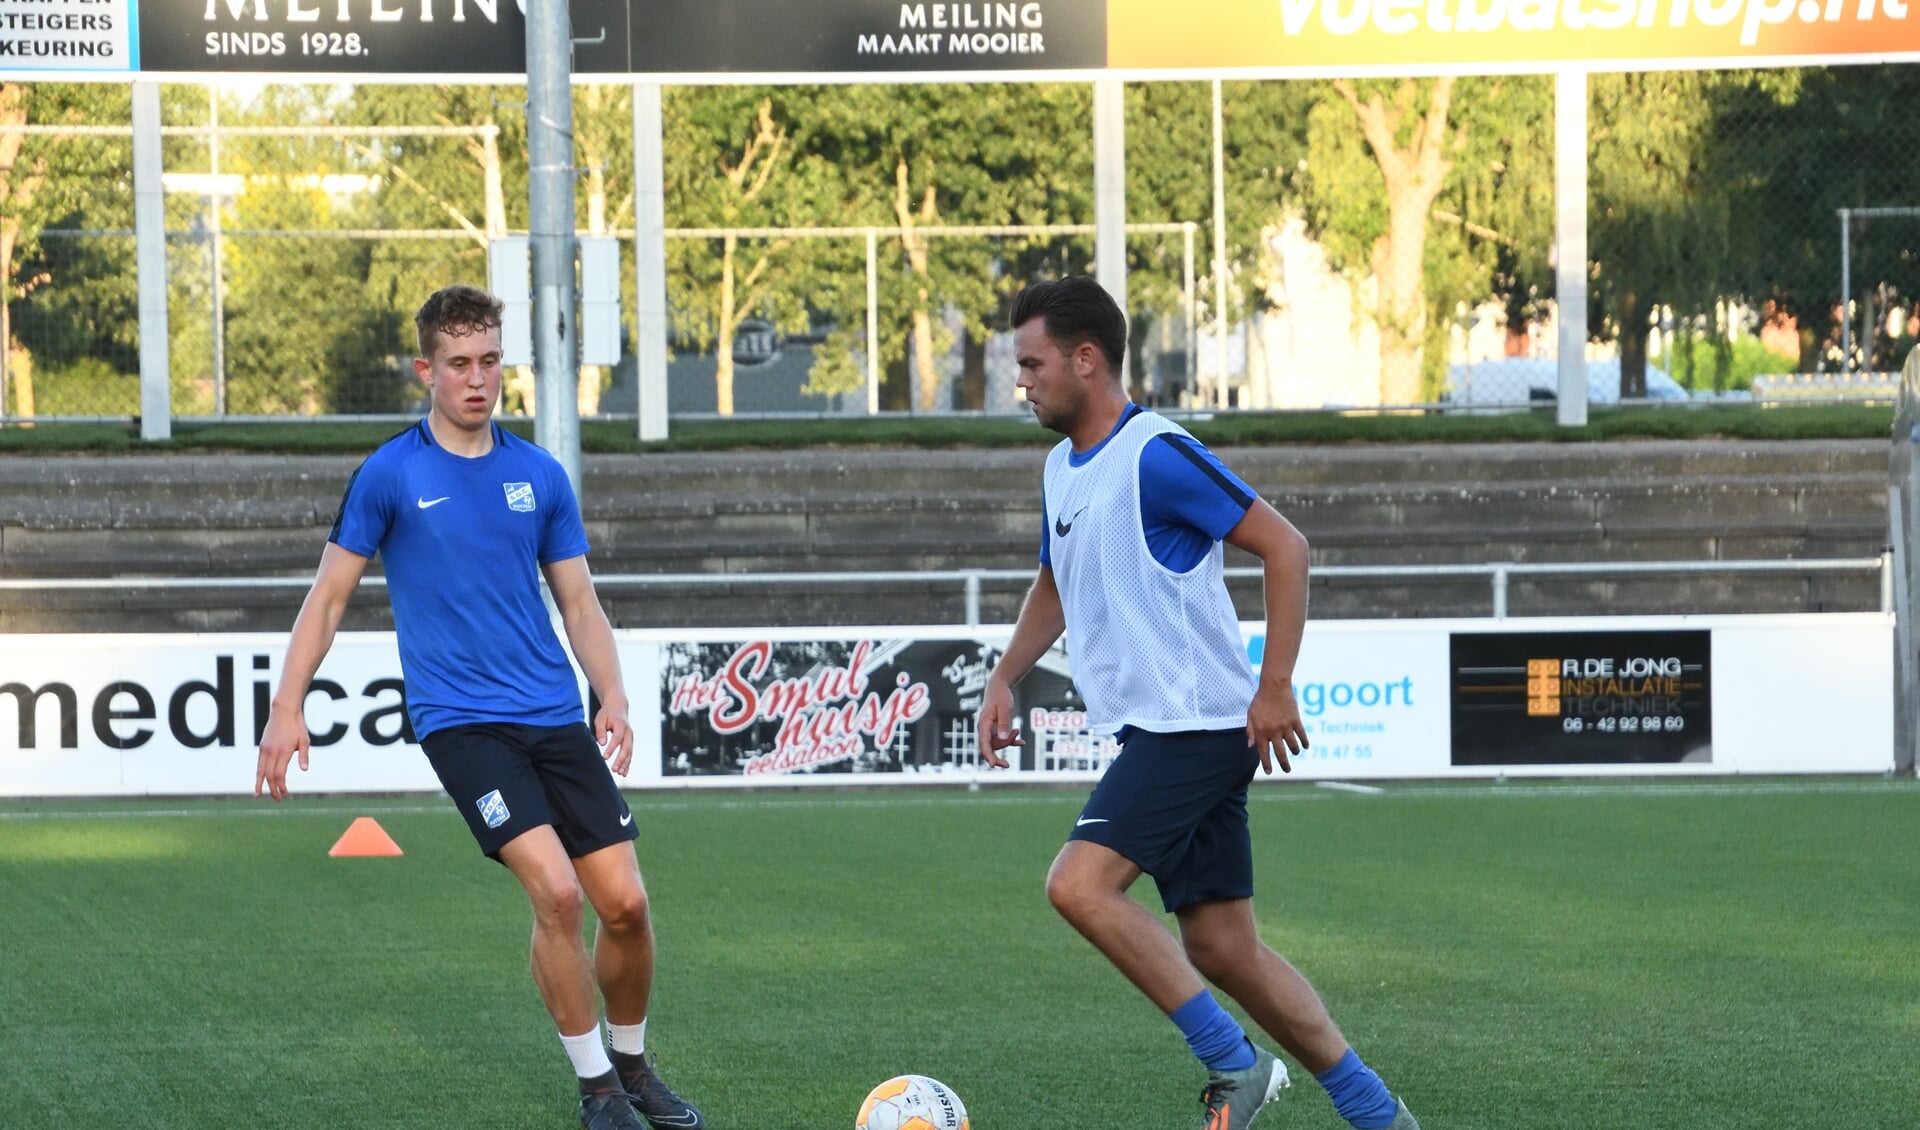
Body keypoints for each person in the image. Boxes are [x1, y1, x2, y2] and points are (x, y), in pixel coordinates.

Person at [254, 284, 704, 1130]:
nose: (478, 379)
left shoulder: (538, 474)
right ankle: (596, 1088)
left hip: (554, 716)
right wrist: (287, 705)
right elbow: (327, 600)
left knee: (628, 906)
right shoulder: (390, 474)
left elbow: (579, 603)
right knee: (558, 895)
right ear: (426, 369)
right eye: (458, 363)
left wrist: (610, 694)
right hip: (462, 724)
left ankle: (635, 1068)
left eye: (490, 361)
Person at [976, 276, 1420, 1130]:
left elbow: (1285, 546)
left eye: (1031, 364)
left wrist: (1276, 684)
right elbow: (1054, 581)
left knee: (1079, 887)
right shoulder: (1061, 468)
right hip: (1167, 730)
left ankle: (1234, 1063)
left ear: (1086, 358)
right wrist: (1004, 675)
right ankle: (1377, 1115)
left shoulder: (1155, 452)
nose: (1021, 382)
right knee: (1222, 948)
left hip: (1194, 727)